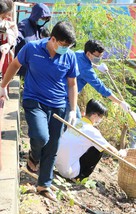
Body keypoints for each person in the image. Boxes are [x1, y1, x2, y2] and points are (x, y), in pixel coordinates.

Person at [0, 21, 79, 202]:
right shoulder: (32, 48)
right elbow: (15, 64)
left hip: (58, 105)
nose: (66, 49)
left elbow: (72, 84)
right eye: (64, 45)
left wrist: (73, 110)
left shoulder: (70, 57)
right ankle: (34, 157)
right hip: (34, 100)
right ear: (52, 39)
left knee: (53, 146)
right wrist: (3, 85)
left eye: (69, 46)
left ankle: (44, 185)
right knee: (41, 137)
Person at [56, 99, 125, 180]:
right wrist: (120, 154)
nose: (101, 120)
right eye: (101, 117)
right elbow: (108, 147)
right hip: (68, 171)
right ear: (95, 115)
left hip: (56, 164)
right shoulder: (92, 131)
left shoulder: (74, 121)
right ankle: (80, 176)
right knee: (99, 149)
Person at [68, 39, 130, 119]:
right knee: (76, 123)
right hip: (68, 97)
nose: (99, 59)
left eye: (101, 56)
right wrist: (120, 103)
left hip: (65, 92)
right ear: (89, 54)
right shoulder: (87, 71)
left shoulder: (79, 53)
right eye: (97, 57)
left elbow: (83, 63)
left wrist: (97, 66)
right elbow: (101, 88)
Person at [15, 3, 51, 78]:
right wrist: (11, 43)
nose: (43, 21)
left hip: (34, 67)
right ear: (36, 15)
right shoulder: (24, 25)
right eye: (42, 18)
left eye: (45, 19)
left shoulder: (41, 28)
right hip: (22, 65)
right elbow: (17, 36)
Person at [0, 0, 18, 79]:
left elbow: (15, 35)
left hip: (5, 49)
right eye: (3, 16)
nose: (5, 17)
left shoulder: (8, 21)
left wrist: (9, 44)